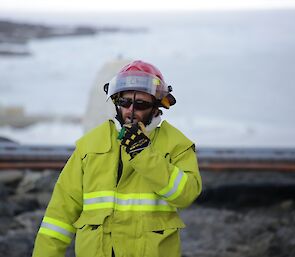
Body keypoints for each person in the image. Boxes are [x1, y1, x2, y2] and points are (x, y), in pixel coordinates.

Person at [32, 60, 202, 257]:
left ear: (156, 106)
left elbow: (186, 195)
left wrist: (144, 154)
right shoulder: (90, 145)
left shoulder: (176, 144)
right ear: (116, 101)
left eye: (140, 104)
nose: (130, 110)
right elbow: (59, 216)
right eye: (125, 102)